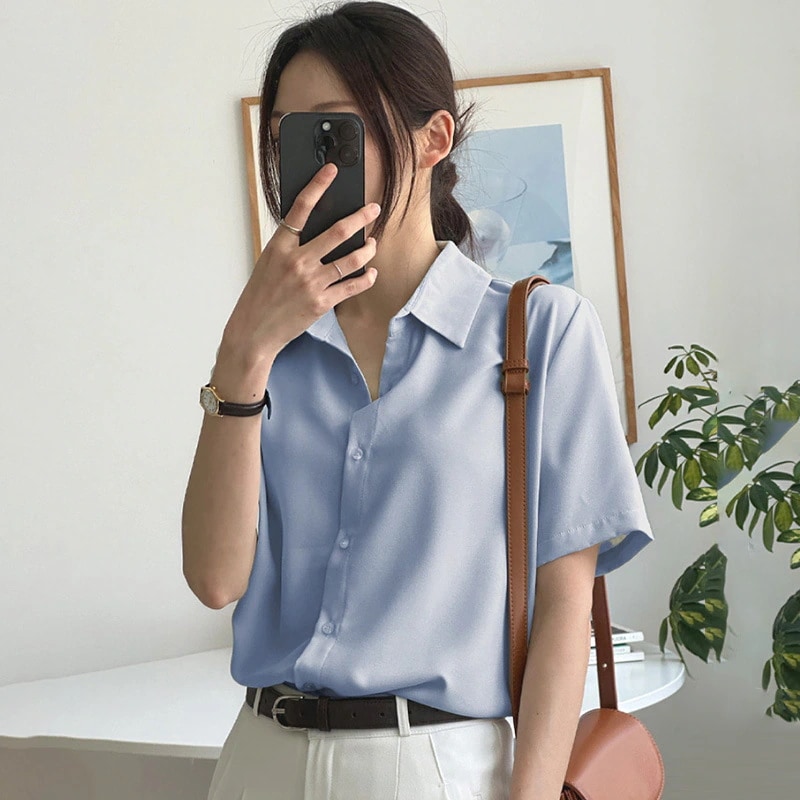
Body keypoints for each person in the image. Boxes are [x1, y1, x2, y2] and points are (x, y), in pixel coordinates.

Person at [181, 2, 655, 798]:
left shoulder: (541, 334)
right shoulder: (268, 349)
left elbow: (562, 610)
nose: (311, 164)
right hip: (260, 758)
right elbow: (214, 578)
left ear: (433, 139)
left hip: (434, 766)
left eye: (335, 130)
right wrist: (242, 354)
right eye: (290, 135)